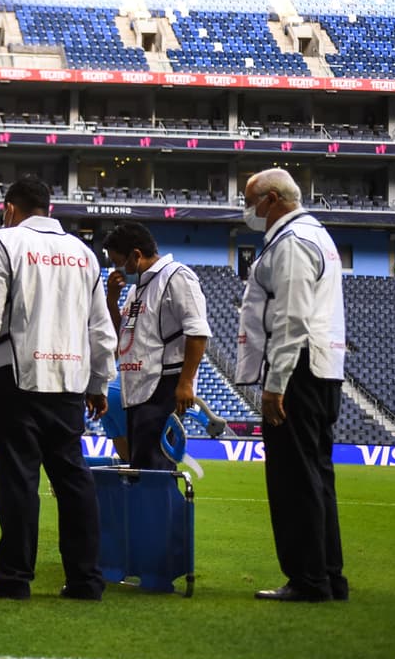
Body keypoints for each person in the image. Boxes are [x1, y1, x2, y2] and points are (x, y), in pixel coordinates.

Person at [0, 175, 116, 601]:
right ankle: (86, 580)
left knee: (18, 480)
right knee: (73, 478)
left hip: (17, 373)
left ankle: (14, 577)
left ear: (10, 207)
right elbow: (101, 330)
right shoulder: (84, 253)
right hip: (69, 379)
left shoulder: (6, 241)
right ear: (49, 206)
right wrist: (100, 383)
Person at [236, 168, 348, 603]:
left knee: (293, 480)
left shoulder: (292, 243)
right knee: (317, 477)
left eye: (251, 201)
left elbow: (290, 318)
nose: (249, 211)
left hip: (297, 373)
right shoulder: (314, 235)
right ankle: (327, 575)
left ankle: (307, 579)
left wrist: (275, 383)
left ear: (273, 199)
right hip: (319, 370)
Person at [102, 222, 211, 470]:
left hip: (163, 387)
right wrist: (111, 301)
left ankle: (162, 509)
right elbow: (123, 340)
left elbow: (198, 332)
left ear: (137, 255)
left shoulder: (177, 277)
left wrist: (185, 382)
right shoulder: (136, 289)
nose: (118, 269)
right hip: (137, 390)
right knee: (140, 467)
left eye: (120, 262)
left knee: (156, 470)